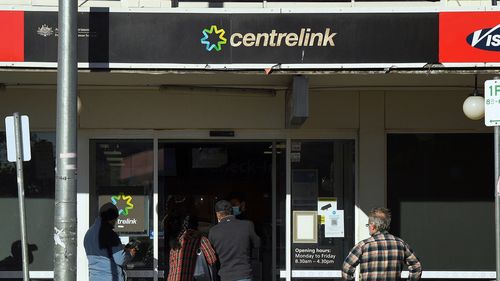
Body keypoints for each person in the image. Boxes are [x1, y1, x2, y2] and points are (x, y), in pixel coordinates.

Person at [342, 207, 422, 281]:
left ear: (373, 226)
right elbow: (416, 266)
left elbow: (346, 268)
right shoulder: (401, 244)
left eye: (368, 225)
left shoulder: (363, 245)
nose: (368, 228)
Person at [209, 200, 260, 281]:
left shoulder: (213, 231)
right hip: (244, 275)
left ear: (218, 215)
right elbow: (257, 244)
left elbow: (211, 256)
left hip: (226, 277)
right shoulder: (247, 225)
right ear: (231, 211)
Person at [84, 203, 136, 281]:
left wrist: (121, 249)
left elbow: (102, 253)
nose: (115, 221)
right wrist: (130, 254)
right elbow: (120, 259)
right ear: (112, 218)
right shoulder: (110, 234)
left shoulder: (88, 234)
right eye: (115, 219)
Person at [164, 208, 217, 281]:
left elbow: (171, 266)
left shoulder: (176, 242)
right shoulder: (201, 240)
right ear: (196, 225)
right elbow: (212, 260)